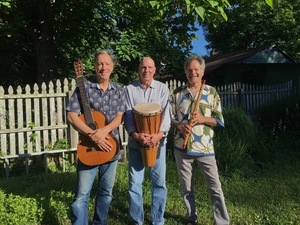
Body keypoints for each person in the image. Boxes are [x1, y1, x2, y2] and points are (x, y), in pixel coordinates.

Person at [66, 49, 126, 225]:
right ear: (94, 66)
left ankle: (100, 222)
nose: (103, 67)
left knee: (106, 192)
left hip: (111, 148)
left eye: (107, 64)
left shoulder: (119, 90)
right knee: (81, 195)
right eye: (100, 63)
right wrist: (93, 134)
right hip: (88, 149)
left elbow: (120, 116)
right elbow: (72, 116)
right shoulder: (83, 88)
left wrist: (103, 131)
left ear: (112, 67)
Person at [171, 55, 230, 225]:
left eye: (196, 69)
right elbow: (170, 118)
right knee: (186, 188)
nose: (193, 73)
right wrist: (180, 126)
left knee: (215, 187)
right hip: (181, 148)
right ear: (185, 72)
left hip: (205, 148)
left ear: (202, 71)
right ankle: (192, 217)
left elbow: (218, 120)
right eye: (190, 70)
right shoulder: (177, 93)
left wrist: (203, 119)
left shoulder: (211, 92)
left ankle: (222, 221)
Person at [124, 57, 171, 225]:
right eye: (143, 67)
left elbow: (166, 115)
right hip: (136, 143)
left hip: (158, 144)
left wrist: (159, 135)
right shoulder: (129, 89)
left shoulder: (162, 88)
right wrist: (135, 134)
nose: (146, 70)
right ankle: (137, 220)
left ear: (155, 69)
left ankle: (158, 220)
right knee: (135, 184)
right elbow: (128, 115)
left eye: (150, 67)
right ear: (139, 69)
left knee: (159, 183)